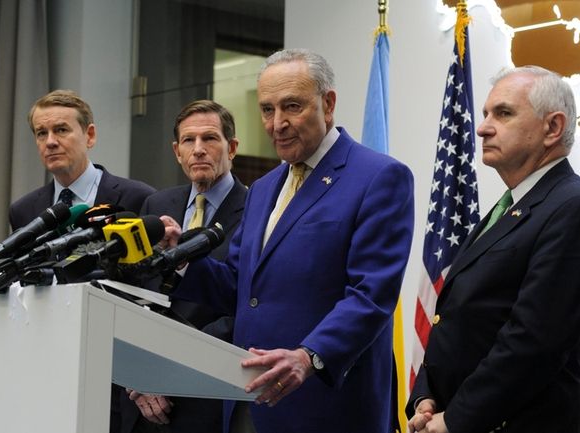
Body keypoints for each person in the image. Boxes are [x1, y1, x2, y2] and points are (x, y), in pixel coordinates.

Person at [161, 49, 414, 433]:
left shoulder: (379, 177)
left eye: (291, 106)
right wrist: (178, 257)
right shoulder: (263, 188)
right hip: (250, 401)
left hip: (328, 406)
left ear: (327, 104)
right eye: (266, 109)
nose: (277, 123)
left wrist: (310, 356)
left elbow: (371, 294)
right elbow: (238, 285)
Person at [407, 66, 580, 433]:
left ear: (553, 128)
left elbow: (534, 341)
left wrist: (457, 419)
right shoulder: (512, 205)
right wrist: (426, 396)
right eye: (485, 114)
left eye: (504, 113)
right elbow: (458, 316)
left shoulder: (576, 208)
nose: (483, 128)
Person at [120, 100, 247, 433]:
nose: (199, 149)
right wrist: (139, 371)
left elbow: (244, 306)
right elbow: (134, 292)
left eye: (210, 139)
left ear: (232, 148)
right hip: (142, 397)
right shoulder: (156, 205)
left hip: (207, 392)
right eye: (189, 141)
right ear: (177, 151)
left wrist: (173, 364)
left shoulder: (257, 210)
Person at [9, 89, 155, 230]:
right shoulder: (23, 211)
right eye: (41, 133)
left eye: (61, 130)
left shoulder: (139, 197)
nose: (50, 142)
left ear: (90, 136)